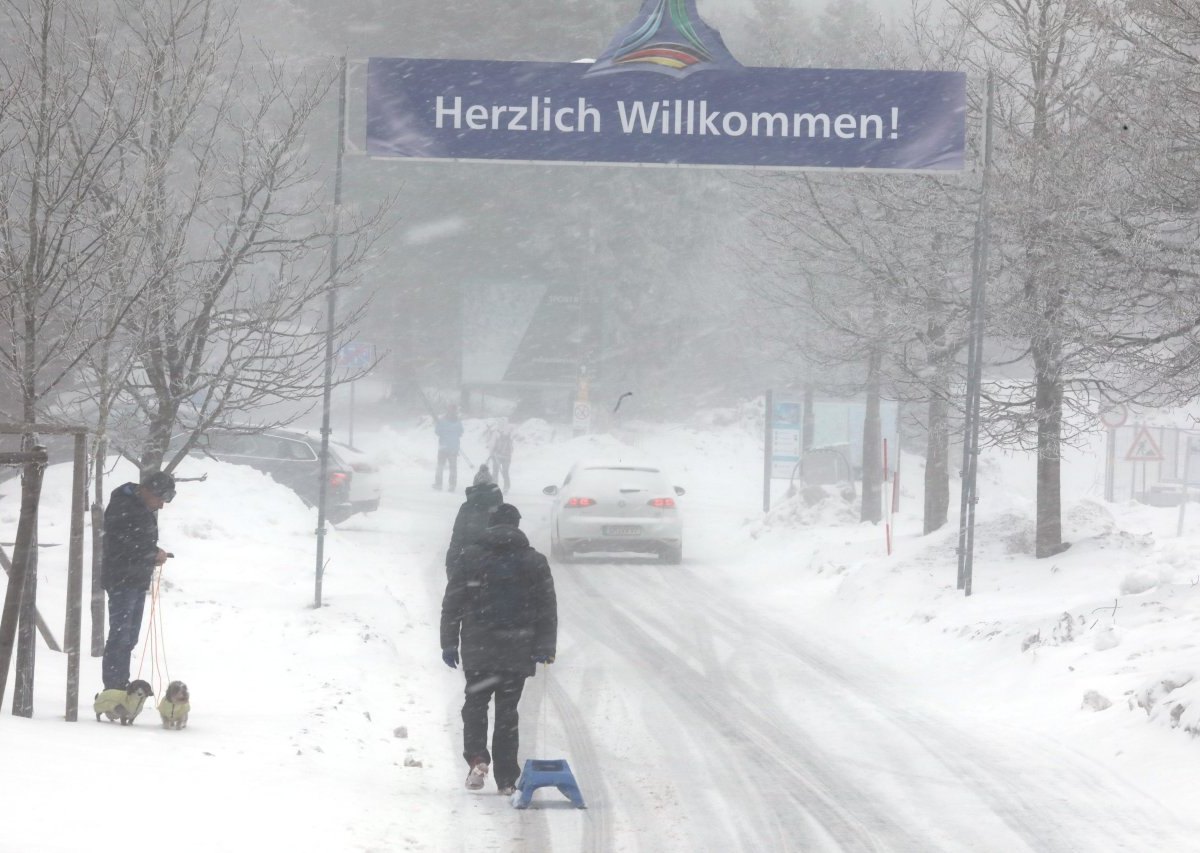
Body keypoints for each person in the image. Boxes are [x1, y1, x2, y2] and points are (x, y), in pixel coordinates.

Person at [440, 503, 557, 795]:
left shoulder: (471, 557)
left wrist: (449, 642)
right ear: (517, 526)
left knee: (475, 705)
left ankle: (478, 758)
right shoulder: (534, 561)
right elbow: (547, 608)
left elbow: (452, 603)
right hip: (517, 649)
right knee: (508, 713)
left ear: (489, 525)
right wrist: (544, 647)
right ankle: (506, 779)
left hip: (480, 648)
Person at [100, 470, 175, 690]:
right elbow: (123, 544)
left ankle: (120, 683)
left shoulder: (138, 506)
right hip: (122, 580)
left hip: (135, 580)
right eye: (160, 498)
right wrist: (151, 554)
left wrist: (153, 552)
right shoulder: (125, 506)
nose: (161, 505)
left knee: (129, 637)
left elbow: (136, 541)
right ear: (147, 490)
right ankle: (114, 687)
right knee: (121, 636)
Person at [444, 468, 503, 577]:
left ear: (474, 484)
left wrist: (451, 567)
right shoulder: (502, 508)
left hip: (471, 561)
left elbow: (457, 537)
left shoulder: (467, 508)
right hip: (498, 564)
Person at [433, 404, 464, 491]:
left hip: (443, 447)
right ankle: (452, 485)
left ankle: (438, 484)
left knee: (440, 466)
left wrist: (442, 430)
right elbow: (461, 432)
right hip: (453, 447)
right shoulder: (458, 422)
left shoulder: (442, 421)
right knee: (453, 468)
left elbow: (437, 432)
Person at [489, 424, 514, 492]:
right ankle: (506, 487)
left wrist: (491, 454)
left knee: (495, 472)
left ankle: (494, 487)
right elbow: (512, 449)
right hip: (507, 457)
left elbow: (492, 445)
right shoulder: (509, 438)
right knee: (505, 472)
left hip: (497, 456)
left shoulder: (496, 435)